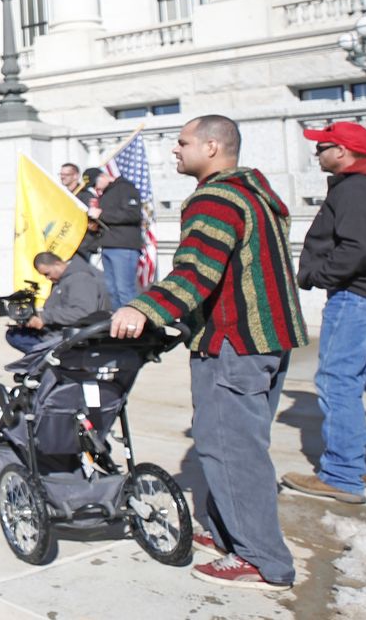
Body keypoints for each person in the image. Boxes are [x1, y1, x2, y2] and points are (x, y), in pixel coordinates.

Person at [111, 114, 307, 591]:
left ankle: (262, 560)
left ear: (213, 147)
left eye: (182, 143)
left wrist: (143, 308)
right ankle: (226, 534)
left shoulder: (215, 198)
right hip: (267, 341)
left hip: (233, 344)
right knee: (233, 444)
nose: (174, 151)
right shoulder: (254, 193)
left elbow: (196, 271)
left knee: (231, 451)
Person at [281, 121, 366, 504]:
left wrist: (317, 275)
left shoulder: (356, 188)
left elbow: (358, 249)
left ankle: (342, 475)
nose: (316, 154)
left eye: (321, 147)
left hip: (360, 296)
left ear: (342, 152)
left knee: (338, 380)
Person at [3, 251, 111, 354]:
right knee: (15, 333)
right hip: (61, 330)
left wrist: (45, 317)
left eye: (47, 273)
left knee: (16, 337)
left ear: (57, 264)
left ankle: (50, 363)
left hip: (72, 335)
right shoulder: (65, 278)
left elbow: (82, 312)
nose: (48, 278)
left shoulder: (80, 279)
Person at [92, 162, 146, 307]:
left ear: (104, 176)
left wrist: (102, 214)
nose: (95, 188)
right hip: (108, 245)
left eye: (95, 183)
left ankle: (132, 325)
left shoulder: (126, 188)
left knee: (125, 290)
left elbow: (133, 214)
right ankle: (118, 323)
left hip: (124, 246)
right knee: (112, 290)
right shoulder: (106, 194)